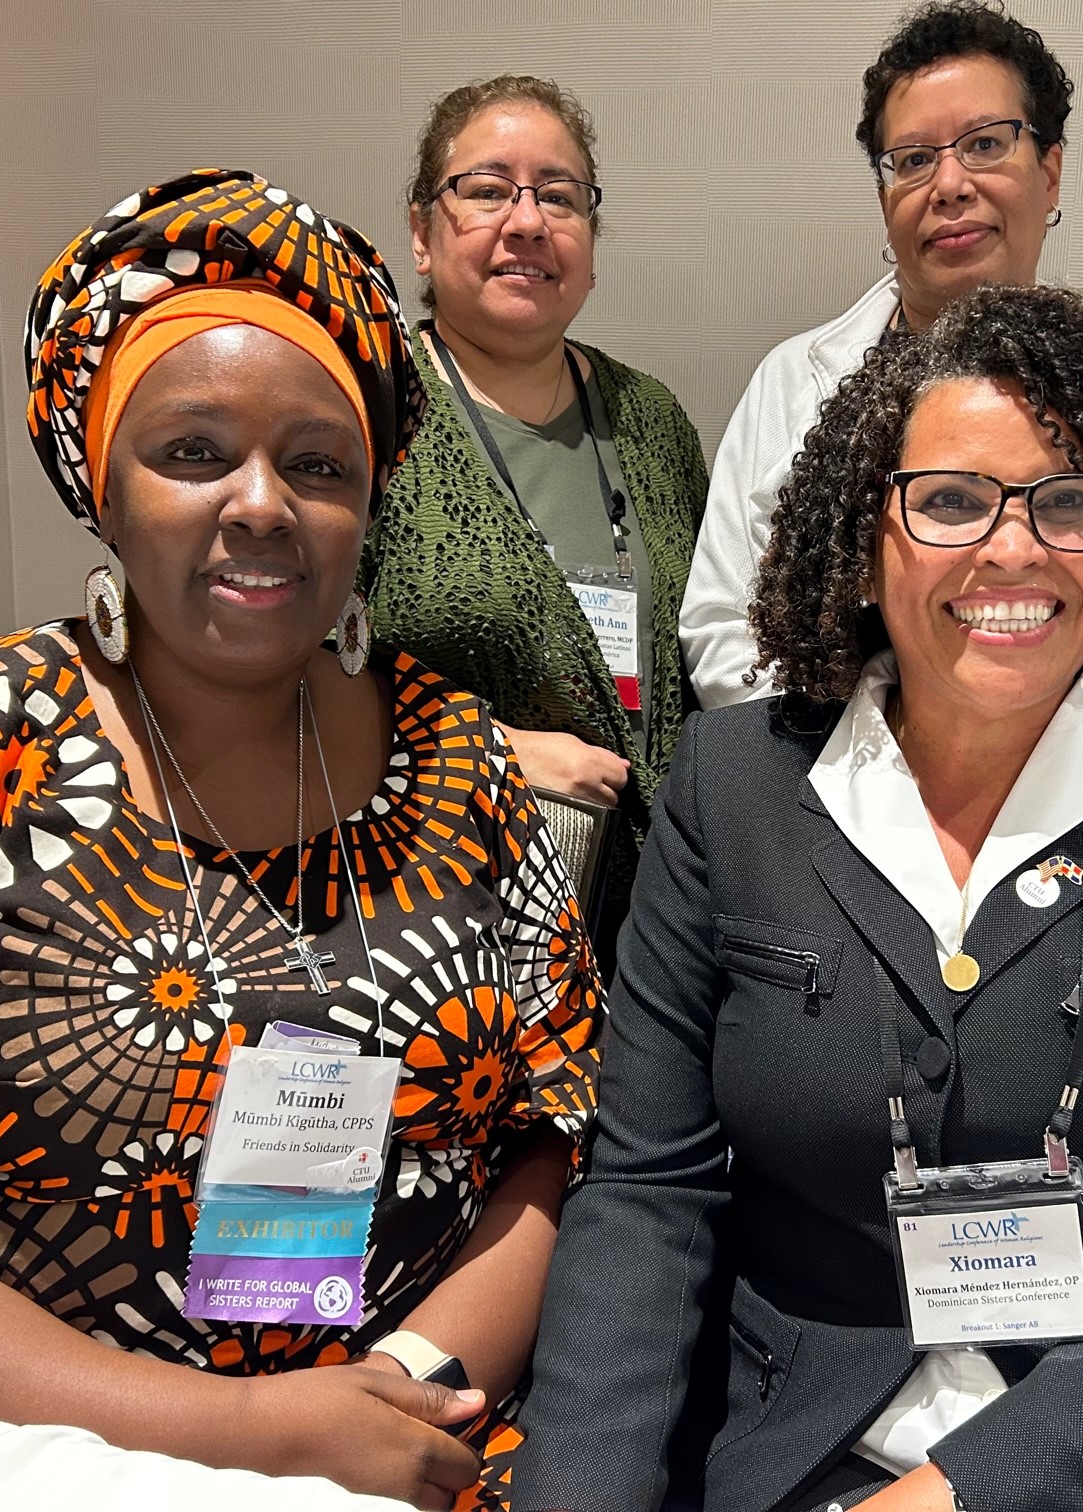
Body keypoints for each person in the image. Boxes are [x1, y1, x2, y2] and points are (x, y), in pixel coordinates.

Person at [0, 170, 601, 1511]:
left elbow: (559, 1136)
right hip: (46, 1460)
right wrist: (244, 1433)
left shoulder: (457, 760)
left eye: (319, 464)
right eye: (194, 451)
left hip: (431, 1433)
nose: (264, 502)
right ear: (101, 485)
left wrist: (400, 1384)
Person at [518, 284, 1083, 1511]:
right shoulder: (734, 786)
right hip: (796, 1437)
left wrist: (948, 1499)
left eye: (1070, 502)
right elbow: (650, 1198)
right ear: (865, 537)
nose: (1014, 549)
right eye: (953, 501)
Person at [366, 75, 709, 957]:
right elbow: (279, 676)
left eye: (559, 197)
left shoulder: (652, 420)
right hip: (428, 912)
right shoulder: (365, 412)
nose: (527, 222)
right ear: (420, 232)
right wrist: (487, 752)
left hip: (652, 924)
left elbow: (707, 653)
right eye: (486, 191)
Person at [682, 1, 1070, 709]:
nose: (949, 185)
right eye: (915, 160)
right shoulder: (793, 383)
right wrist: (865, 768)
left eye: (985, 144)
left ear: (1049, 172)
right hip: (819, 782)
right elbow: (722, 629)